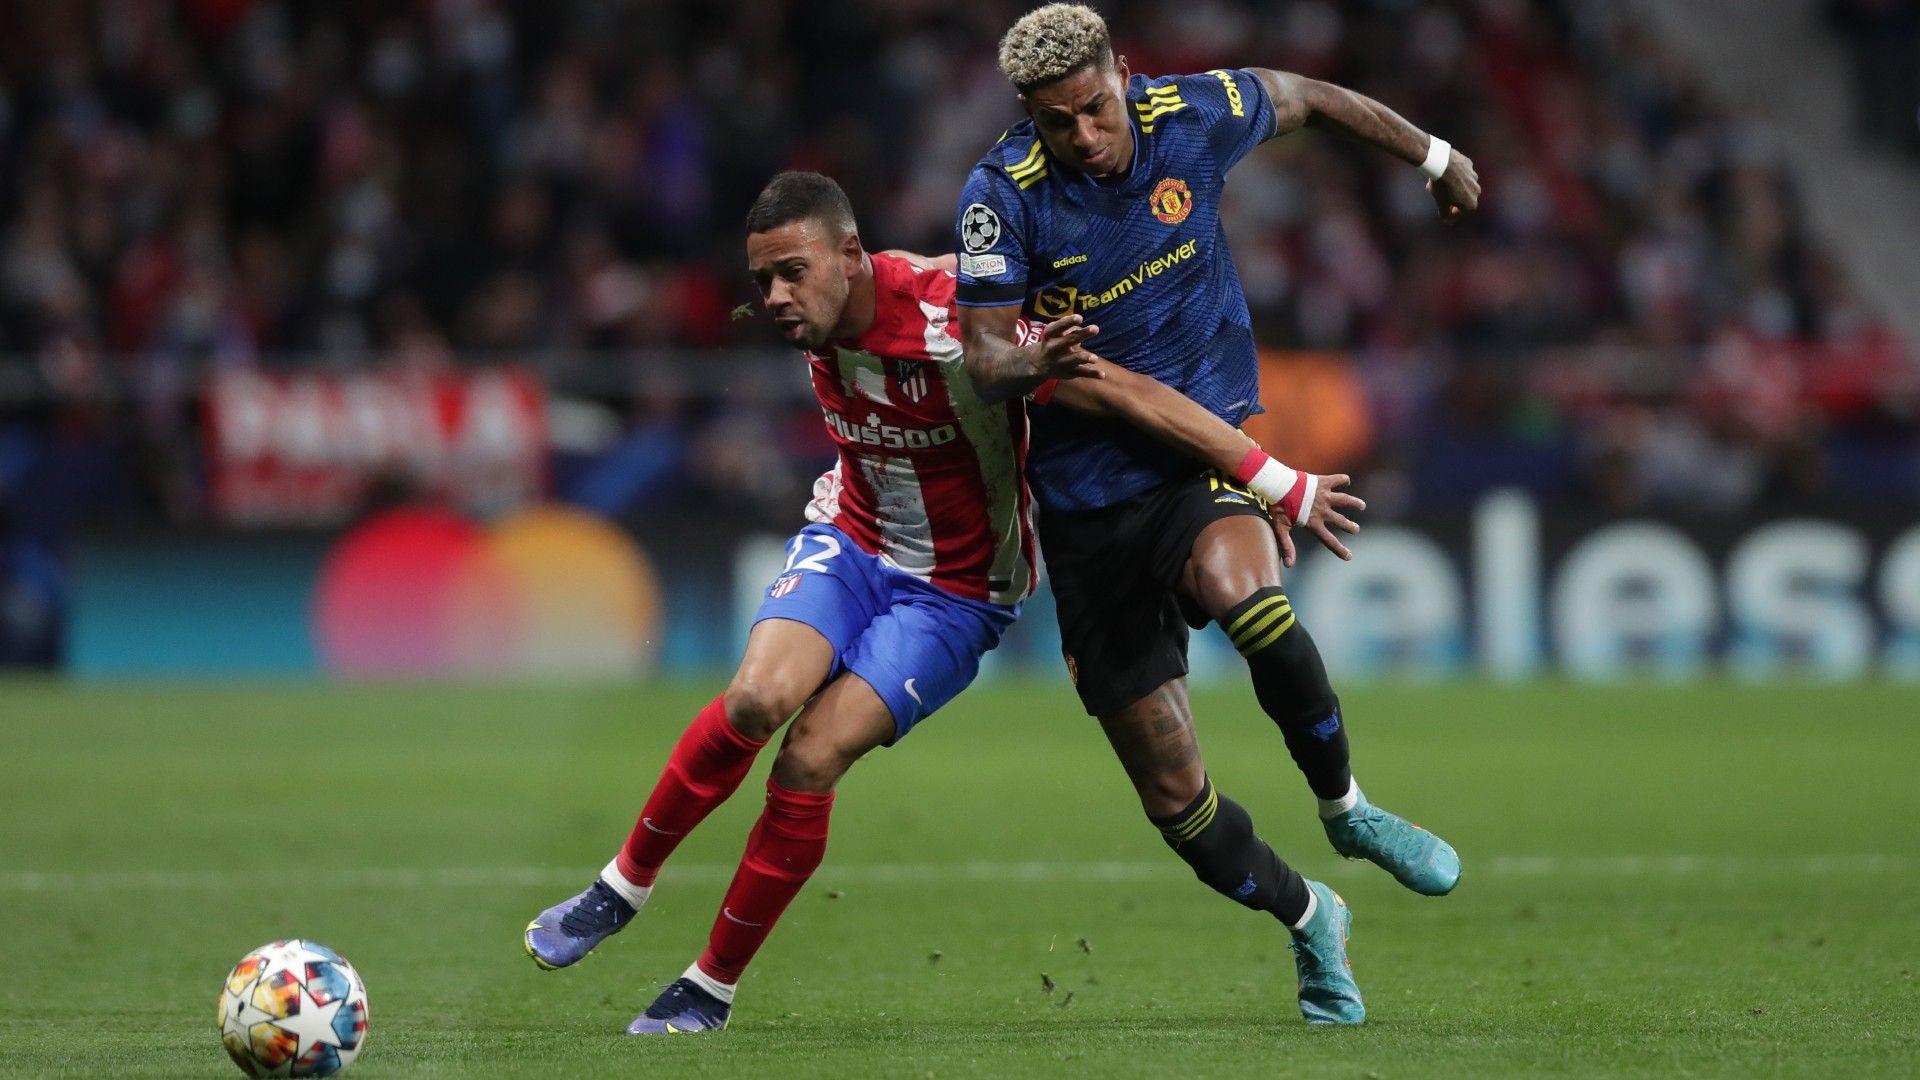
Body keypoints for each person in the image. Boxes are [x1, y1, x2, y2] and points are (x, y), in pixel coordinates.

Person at [522, 170, 1311, 1034]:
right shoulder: (815, 325)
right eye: (762, 282)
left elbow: (1126, 394)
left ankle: (709, 987)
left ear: (851, 255)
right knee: (755, 698)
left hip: (959, 594)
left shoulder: (959, 323)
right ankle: (619, 888)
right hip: (852, 537)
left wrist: (1261, 479)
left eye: (793, 272)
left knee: (810, 757)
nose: (777, 299)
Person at [953, 3, 1482, 1025]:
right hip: (1086, 506)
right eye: (1058, 123)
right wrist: (1032, 361)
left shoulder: (1196, 112)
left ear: (1124, 74)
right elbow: (981, 356)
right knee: (1176, 800)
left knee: (1256, 603)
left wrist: (1433, 152)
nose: (1086, 137)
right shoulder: (1000, 195)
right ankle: (1311, 917)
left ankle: (1348, 809)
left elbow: (1314, 97)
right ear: (1030, 116)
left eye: (1096, 109)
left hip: (1199, 460)